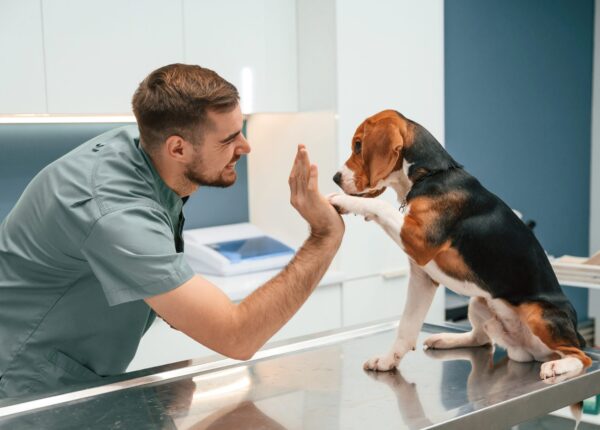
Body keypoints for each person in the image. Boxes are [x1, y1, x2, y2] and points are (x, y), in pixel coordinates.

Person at [0, 63, 344, 397]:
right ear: (177, 148)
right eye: (229, 139)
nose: (245, 147)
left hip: (73, 377)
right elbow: (238, 338)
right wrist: (323, 236)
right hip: (24, 389)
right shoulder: (115, 211)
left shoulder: (145, 152)